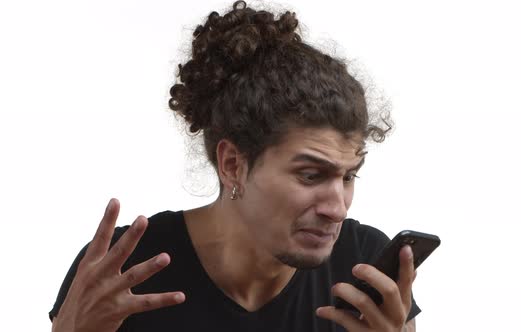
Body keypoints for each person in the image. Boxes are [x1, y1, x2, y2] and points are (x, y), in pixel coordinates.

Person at [49, 1, 421, 331]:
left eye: (349, 176)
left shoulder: (363, 266)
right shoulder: (121, 273)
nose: (337, 207)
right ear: (232, 164)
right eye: (310, 175)